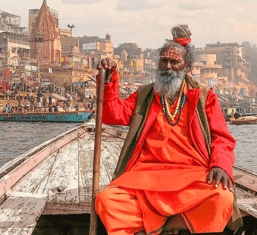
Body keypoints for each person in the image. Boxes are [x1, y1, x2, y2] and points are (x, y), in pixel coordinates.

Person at [95, 25, 241, 235]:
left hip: (192, 175)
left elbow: (222, 137)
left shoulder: (203, 96)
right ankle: (175, 223)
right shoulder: (145, 94)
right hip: (146, 175)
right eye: (164, 61)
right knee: (107, 200)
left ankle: (162, 226)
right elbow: (113, 115)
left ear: (186, 66)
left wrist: (220, 165)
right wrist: (108, 80)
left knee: (222, 197)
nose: (168, 67)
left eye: (175, 62)